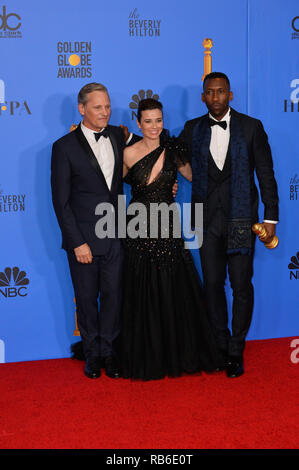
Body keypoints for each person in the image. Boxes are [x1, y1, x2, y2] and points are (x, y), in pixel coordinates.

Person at [178, 72, 279, 377]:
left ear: (230, 95)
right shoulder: (192, 129)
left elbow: (266, 175)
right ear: (202, 97)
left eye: (221, 92)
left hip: (241, 221)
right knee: (211, 286)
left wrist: (270, 217)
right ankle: (219, 345)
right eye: (209, 93)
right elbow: (170, 155)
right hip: (205, 221)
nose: (216, 97)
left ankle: (236, 349)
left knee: (241, 287)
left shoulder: (251, 127)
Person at [120, 98, 223, 380]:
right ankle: (146, 353)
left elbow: (198, 177)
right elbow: (109, 189)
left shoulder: (173, 150)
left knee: (172, 287)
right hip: (138, 226)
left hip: (167, 226)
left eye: (159, 120)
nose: (154, 127)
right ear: (138, 123)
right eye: (148, 121)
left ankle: (175, 352)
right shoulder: (127, 154)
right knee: (142, 289)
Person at [51, 82, 140, 379]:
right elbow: (61, 202)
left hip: (115, 233)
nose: (105, 112)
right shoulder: (63, 148)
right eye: (98, 107)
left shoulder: (117, 135)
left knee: (114, 296)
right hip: (84, 240)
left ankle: (110, 353)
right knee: (87, 299)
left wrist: (164, 180)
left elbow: (144, 153)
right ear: (82, 109)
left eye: (107, 106)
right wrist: (77, 242)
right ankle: (92, 354)